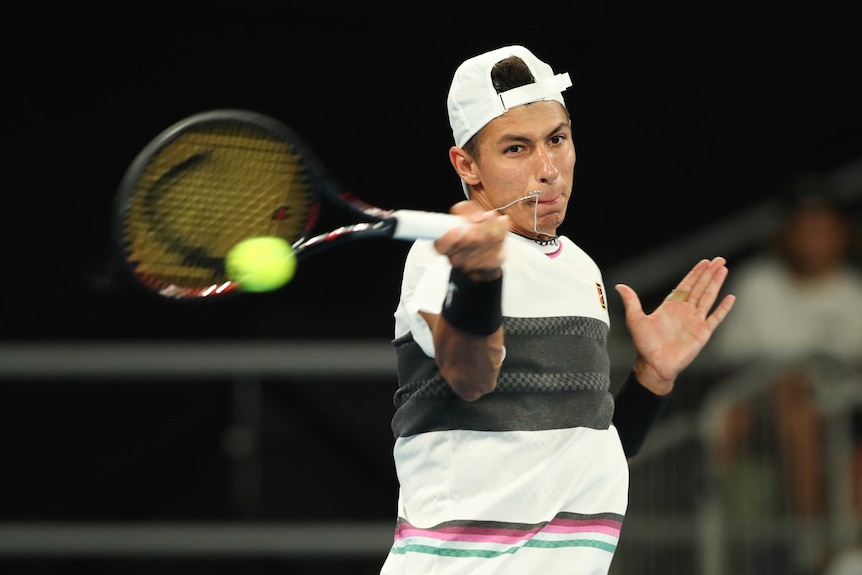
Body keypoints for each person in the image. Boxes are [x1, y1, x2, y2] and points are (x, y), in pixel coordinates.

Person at [378, 45, 735, 575]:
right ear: (467, 166)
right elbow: (471, 374)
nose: (548, 170)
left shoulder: (581, 269)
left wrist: (652, 378)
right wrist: (478, 279)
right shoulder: (440, 253)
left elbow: (587, 452)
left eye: (557, 140)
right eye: (517, 149)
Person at [707, 190, 862, 522]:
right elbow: (728, 357)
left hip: (834, 409)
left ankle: (809, 542)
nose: (812, 241)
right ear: (787, 233)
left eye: (822, 230)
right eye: (804, 229)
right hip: (756, 401)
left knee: (799, 416)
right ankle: (711, 530)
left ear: (842, 235)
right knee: (719, 422)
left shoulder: (854, 293)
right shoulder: (757, 283)